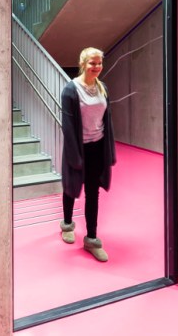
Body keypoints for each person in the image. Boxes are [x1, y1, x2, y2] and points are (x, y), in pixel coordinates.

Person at [59, 47, 116, 262]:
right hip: (77, 148)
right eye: (92, 63)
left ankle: (91, 238)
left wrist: (108, 150)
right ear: (84, 63)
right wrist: (74, 157)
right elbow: (68, 126)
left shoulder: (103, 88)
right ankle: (67, 224)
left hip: (97, 148)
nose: (97, 67)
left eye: (99, 63)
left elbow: (106, 121)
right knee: (71, 188)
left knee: (93, 193)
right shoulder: (70, 90)